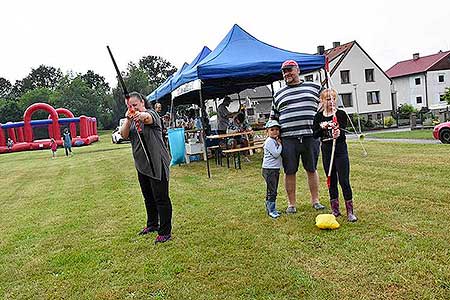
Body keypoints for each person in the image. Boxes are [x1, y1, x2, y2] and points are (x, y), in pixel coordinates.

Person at [270, 60, 325, 213]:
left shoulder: (314, 87)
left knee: (312, 169)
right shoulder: (278, 94)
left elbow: (327, 102)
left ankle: (315, 201)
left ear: (298, 70)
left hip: (310, 137)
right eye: (284, 71)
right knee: (290, 171)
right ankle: (291, 204)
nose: (287, 73)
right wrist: (273, 135)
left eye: (289, 70)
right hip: (288, 139)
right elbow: (273, 117)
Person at [120, 92, 173, 244]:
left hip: (156, 163)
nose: (132, 108)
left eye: (135, 105)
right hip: (142, 165)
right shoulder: (130, 120)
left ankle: (165, 231)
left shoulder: (151, 114)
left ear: (142, 102)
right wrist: (128, 119)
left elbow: (147, 118)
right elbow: (124, 135)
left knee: (161, 198)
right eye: (129, 106)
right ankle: (152, 224)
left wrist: (138, 114)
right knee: (148, 197)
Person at [313, 89, 357, 222]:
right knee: (331, 180)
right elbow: (315, 134)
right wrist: (323, 128)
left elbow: (342, 132)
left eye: (333, 98)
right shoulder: (318, 117)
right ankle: (335, 210)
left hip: (340, 150)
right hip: (327, 150)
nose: (331, 101)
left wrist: (337, 133)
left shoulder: (341, 114)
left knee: (344, 180)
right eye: (327, 99)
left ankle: (350, 211)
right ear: (322, 101)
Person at [262, 120, 283, 218]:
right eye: (272, 130)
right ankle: (271, 209)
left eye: (277, 129)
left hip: (274, 169)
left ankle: (270, 207)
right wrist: (280, 145)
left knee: (271, 189)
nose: (275, 131)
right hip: (270, 169)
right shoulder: (270, 141)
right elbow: (276, 153)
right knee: (272, 190)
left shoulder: (273, 140)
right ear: (267, 131)